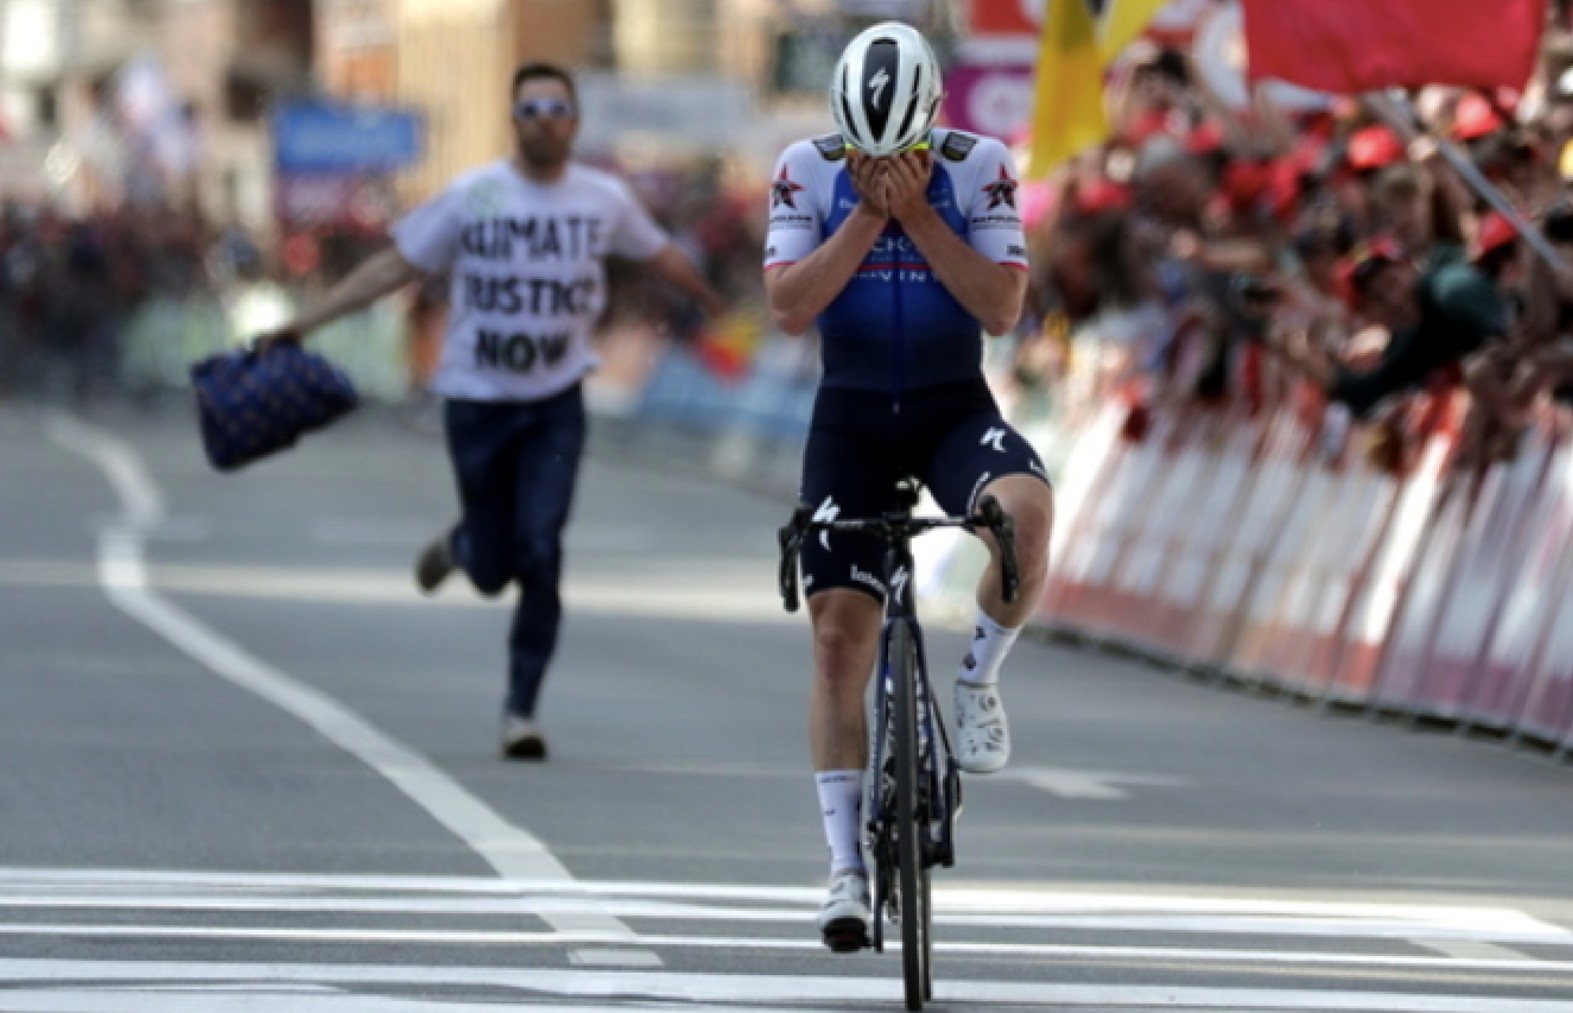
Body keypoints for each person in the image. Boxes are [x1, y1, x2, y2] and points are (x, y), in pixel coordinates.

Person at [255, 62, 724, 760]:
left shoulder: (602, 198)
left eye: (557, 108)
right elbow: (394, 266)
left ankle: (520, 709)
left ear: (575, 120)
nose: (544, 120)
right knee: (493, 566)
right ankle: (465, 547)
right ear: (514, 120)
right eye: (531, 109)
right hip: (477, 399)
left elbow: (662, 258)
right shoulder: (476, 197)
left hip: (556, 401)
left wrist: (728, 311)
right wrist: (307, 322)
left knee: (542, 548)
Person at [762, 21, 1054, 952]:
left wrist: (924, 216)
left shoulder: (980, 165)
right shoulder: (805, 168)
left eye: (899, 154)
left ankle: (978, 678)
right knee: (838, 641)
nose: (879, 165)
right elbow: (787, 305)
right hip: (848, 414)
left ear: (932, 125)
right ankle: (845, 870)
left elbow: (1002, 310)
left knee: (1026, 510)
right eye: (862, 152)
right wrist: (865, 216)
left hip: (949, 406)